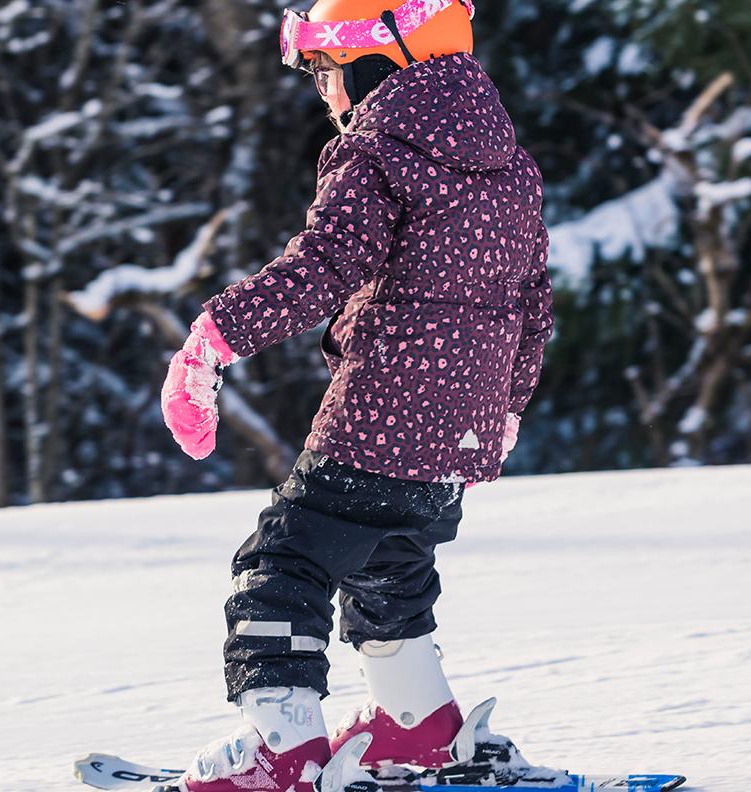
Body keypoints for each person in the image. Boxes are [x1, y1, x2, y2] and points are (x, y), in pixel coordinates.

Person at [157, 0, 552, 789]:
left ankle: (281, 748)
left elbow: (321, 267)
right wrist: (506, 407)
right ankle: (416, 725)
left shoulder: (378, 148)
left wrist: (211, 338)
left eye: (329, 73)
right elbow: (532, 300)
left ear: (379, 60)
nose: (328, 96)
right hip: (461, 429)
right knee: (389, 565)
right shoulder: (509, 165)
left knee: (282, 565)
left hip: (381, 410)